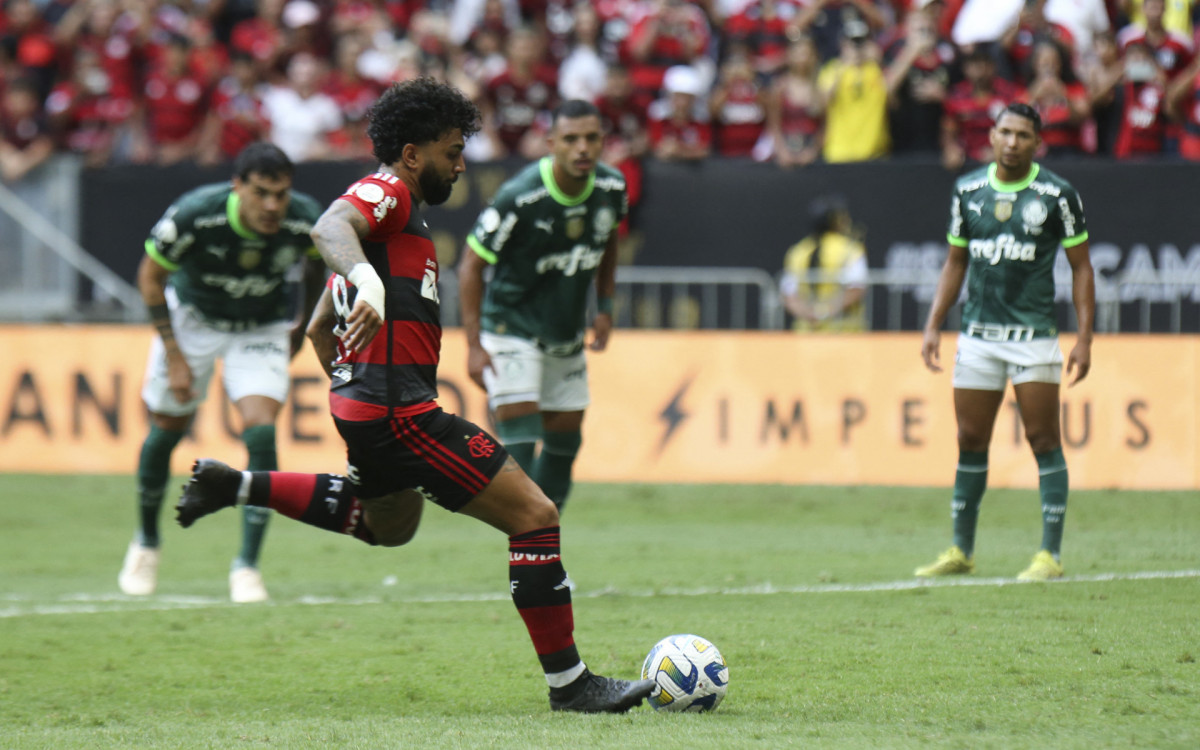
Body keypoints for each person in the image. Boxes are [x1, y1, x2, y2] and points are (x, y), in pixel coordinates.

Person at [173, 78, 655, 713]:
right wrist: (369, 291)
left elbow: (320, 326)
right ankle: (571, 685)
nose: (459, 165)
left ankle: (235, 485)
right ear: (410, 154)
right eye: (451, 152)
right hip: (399, 410)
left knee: (387, 526)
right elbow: (328, 226)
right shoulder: (387, 194)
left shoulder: (394, 217)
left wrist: (351, 381)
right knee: (535, 517)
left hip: (367, 407)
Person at [118, 142, 326, 603]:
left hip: (261, 325)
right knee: (168, 428)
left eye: (281, 194)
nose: (273, 206)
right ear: (238, 187)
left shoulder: (303, 218)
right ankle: (147, 543)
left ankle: (247, 567)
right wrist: (173, 353)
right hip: (193, 322)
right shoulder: (196, 214)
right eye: (262, 194)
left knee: (261, 432)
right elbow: (150, 276)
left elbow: (316, 269)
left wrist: (301, 322)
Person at [915, 102, 1095, 582]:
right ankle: (960, 549)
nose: (1013, 142)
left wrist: (1085, 338)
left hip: (1033, 336)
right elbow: (956, 262)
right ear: (991, 136)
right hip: (978, 337)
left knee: (1042, 440)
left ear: (1038, 143)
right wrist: (934, 323)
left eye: (1023, 135)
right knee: (970, 440)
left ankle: (1049, 555)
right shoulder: (967, 190)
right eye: (1005, 132)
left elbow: (1081, 268)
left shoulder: (1057, 195)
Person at [457, 99, 624, 512]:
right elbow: (470, 265)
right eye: (571, 139)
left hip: (564, 335)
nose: (582, 148)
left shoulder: (611, 188)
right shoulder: (521, 196)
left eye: (591, 138)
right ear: (551, 143)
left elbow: (609, 242)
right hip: (510, 328)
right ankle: (524, 548)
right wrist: (474, 345)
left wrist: (604, 306)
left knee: (566, 440)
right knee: (521, 438)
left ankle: (544, 544)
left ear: (603, 141)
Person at [779, 195, 869, 332]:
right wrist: (824, 312)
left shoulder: (798, 250)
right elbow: (856, 288)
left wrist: (810, 314)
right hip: (844, 331)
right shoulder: (850, 249)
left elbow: (789, 295)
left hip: (807, 330)